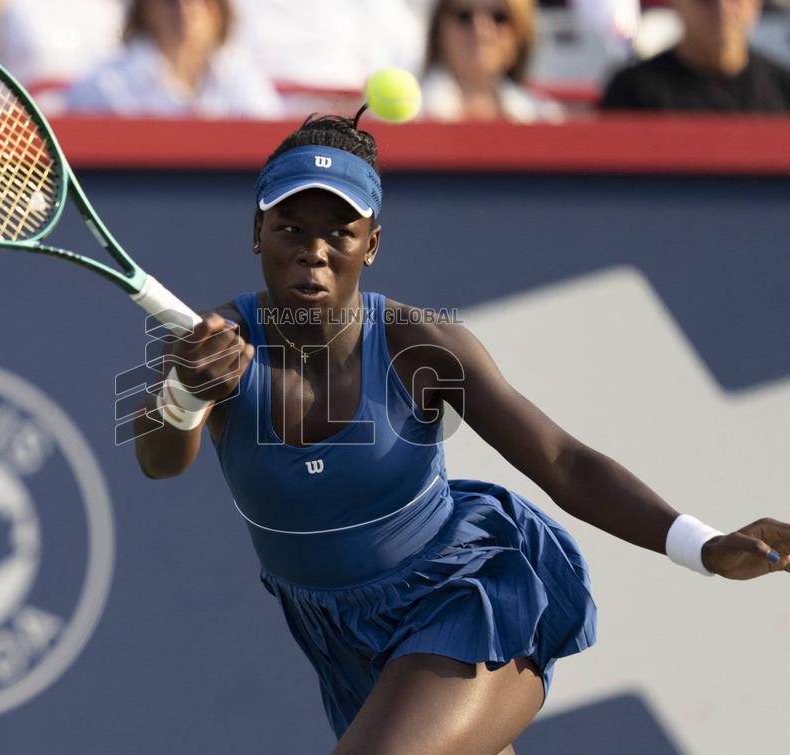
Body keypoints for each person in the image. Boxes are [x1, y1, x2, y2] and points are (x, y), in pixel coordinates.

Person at [133, 112, 790, 752]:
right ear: (257, 232)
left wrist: (701, 545)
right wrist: (186, 392)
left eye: (341, 232)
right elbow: (159, 460)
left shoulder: (421, 344)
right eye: (291, 227)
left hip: (469, 603)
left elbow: (562, 460)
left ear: (373, 245)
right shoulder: (209, 345)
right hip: (341, 640)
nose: (314, 250)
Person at [65, 0, 283, 119]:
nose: (185, 9)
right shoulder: (103, 86)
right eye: (170, 1)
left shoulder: (245, 81)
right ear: (143, 8)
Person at [601, 0, 790, 110]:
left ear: (754, 5)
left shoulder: (783, 89)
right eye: (706, 0)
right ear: (676, 3)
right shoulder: (632, 92)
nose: (722, 9)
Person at [420, 0, 565, 122]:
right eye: (464, 15)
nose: (481, 28)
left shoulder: (544, 116)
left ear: (521, 33)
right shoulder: (414, 114)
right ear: (438, 28)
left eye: (499, 17)